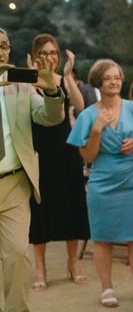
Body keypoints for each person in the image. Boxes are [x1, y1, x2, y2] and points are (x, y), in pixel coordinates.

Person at [67, 59, 133, 308]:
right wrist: (96, 130)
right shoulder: (87, 115)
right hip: (102, 179)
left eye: (117, 77)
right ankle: (107, 289)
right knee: (102, 237)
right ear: (98, 82)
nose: (115, 81)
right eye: (109, 78)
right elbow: (87, 157)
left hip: (130, 178)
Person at [0, 28, 65, 312]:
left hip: (13, 180)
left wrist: (52, 91)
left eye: (4, 46)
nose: (0, 51)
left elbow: (49, 118)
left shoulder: (21, 85)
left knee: (15, 253)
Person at [28, 34, 90, 291]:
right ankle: (40, 267)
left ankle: (73, 263)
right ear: (35, 56)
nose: (50, 57)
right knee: (39, 207)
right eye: (44, 53)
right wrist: (33, 76)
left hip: (66, 149)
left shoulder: (62, 79)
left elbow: (80, 105)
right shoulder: (28, 80)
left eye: (53, 52)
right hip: (38, 149)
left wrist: (67, 75)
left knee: (72, 202)